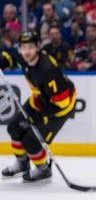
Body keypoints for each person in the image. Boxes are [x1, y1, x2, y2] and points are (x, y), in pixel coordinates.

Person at [0, 32, 76, 182]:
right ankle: (22, 164)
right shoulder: (23, 56)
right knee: (14, 127)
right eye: (23, 47)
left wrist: (35, 118)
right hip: (39, 99)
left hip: (59, 109)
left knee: (30, 138)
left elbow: (61, 103)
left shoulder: (48, 70)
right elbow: (11, 58)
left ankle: (43, 168)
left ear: (38, 47)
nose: (26, 51)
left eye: (30, 47)